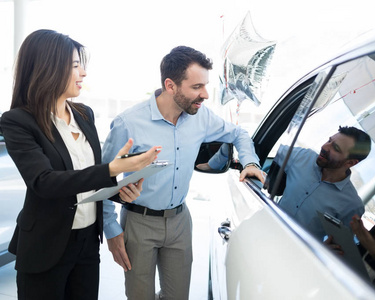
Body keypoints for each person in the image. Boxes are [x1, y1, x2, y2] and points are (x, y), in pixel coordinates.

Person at [0, 29, 161, 300]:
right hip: (45, 246)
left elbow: (90, 178)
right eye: (75, 65)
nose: (83, 73)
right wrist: (112, 169)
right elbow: (44, 182)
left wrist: (120, 188)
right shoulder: (18, 121)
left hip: (87, 243)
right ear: (48, 67)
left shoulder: (84, 114)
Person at [102, 46, 264, 300]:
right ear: (170, 85)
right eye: (197, 87)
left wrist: (250, 163)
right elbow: (101, 177)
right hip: (138, 223)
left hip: (179, 221)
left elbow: (238, 134)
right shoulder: (128, 123)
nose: (205, 94)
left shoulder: (202, 118)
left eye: (206, 85)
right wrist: (110, 229)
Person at [274, 126, 372, 240]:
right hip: (264, 227)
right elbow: (263, 146)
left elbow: (340, 246)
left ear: (351, 162)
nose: (325, 147)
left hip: (296, 253)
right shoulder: (302, 157)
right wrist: (252, 166)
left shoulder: (352, 205)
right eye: (329, 141)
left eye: (335, 148)